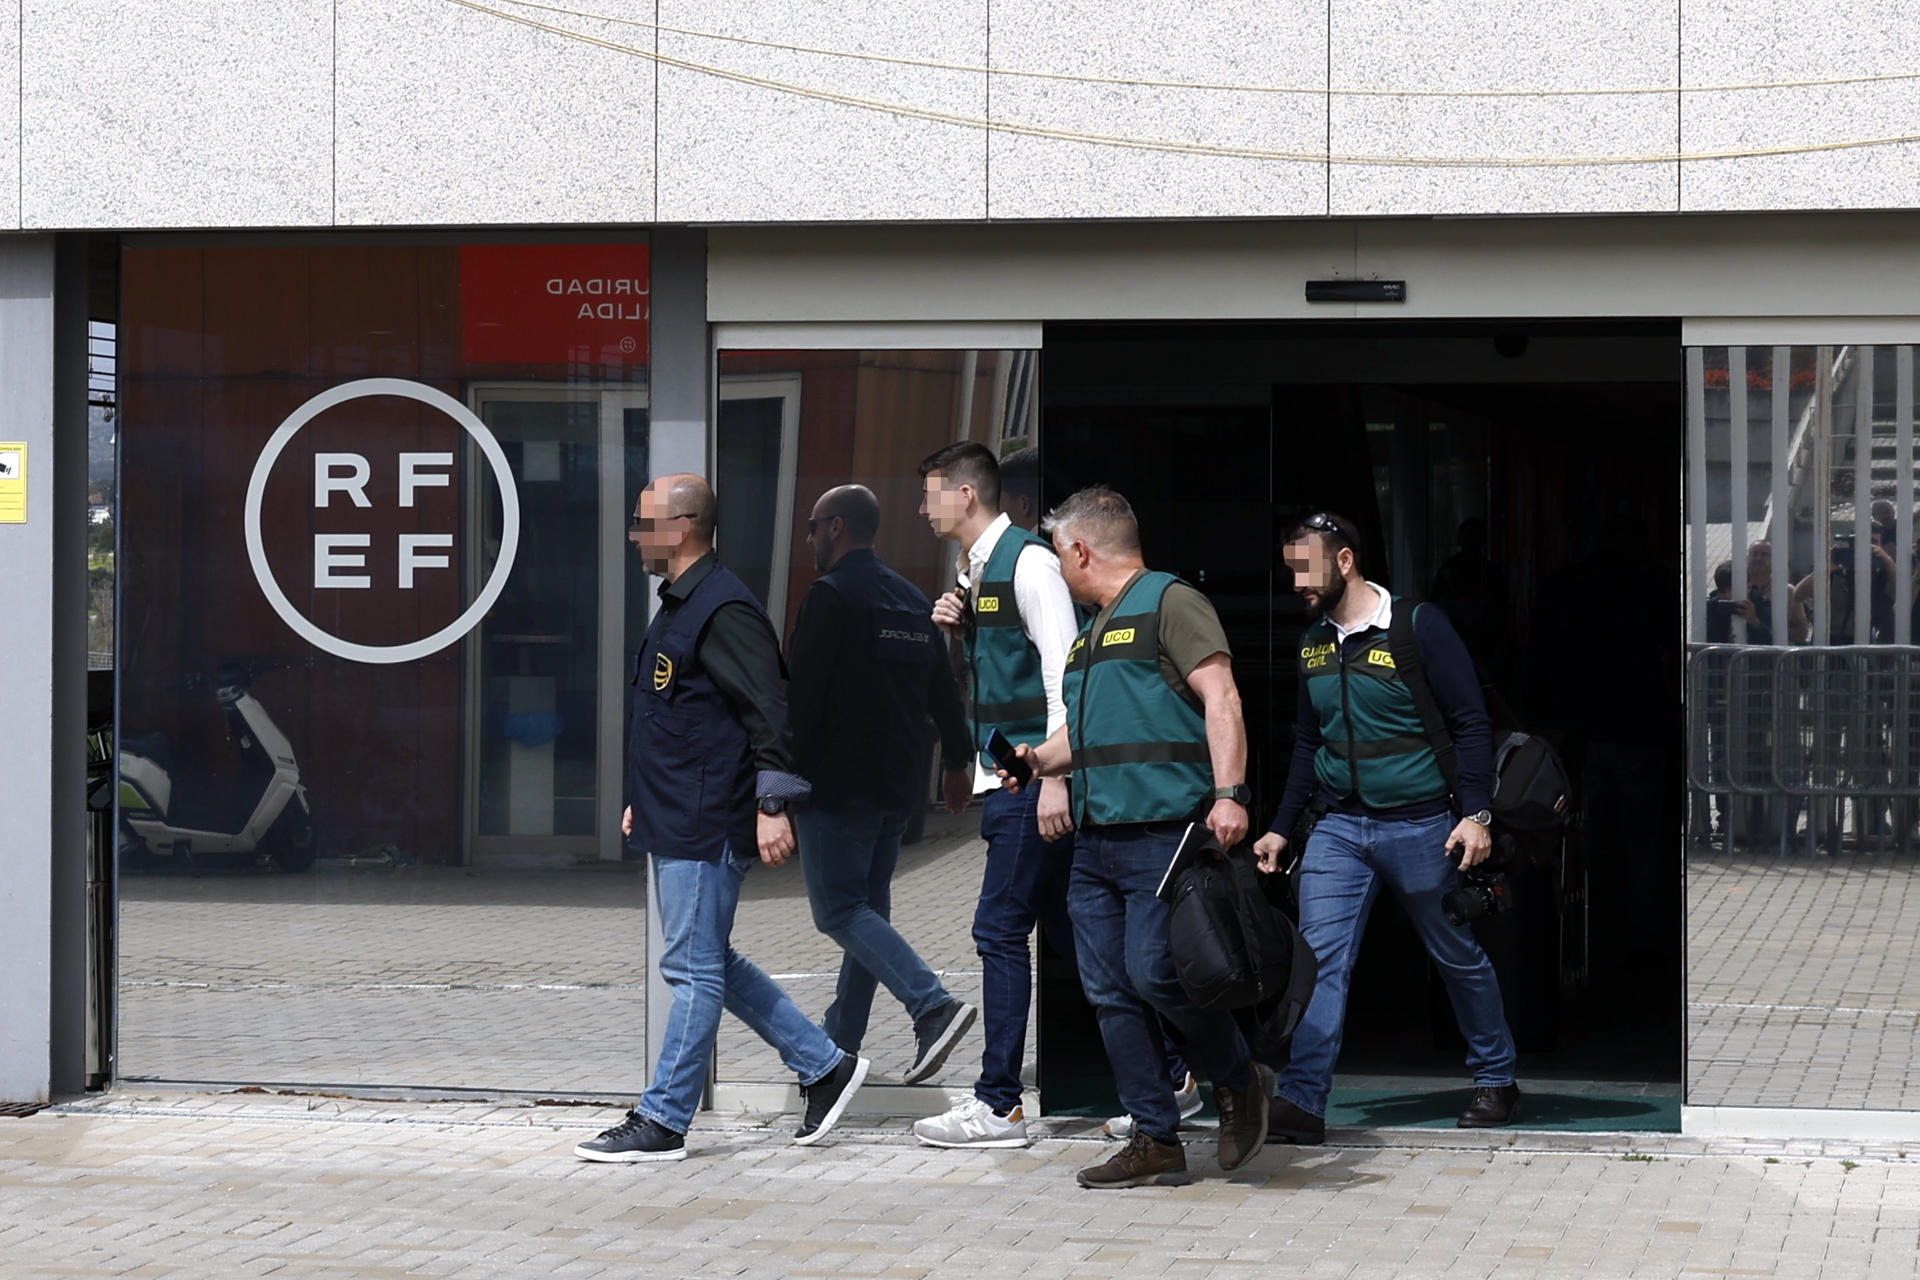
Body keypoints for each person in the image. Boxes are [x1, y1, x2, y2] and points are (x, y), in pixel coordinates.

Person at [575, 474, 867, 1164]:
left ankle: (664, 1120)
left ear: (680, 528)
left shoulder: (722, 607)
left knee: (694, 968)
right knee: (712, 962)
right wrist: (640, 796)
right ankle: (825, 1067)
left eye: (642, 522)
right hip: (675, 811)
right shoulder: (681, 604)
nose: (633, 535)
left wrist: (771, 805)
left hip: (706, 821)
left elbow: (769, 713)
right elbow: (678, 715)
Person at [1004, 485, 1272, 1190]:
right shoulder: (1092, 634)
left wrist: (1230, 794)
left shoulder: (1170, 601)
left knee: (1155, 973)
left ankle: (1240, 1078)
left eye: (1059, 553)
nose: (1058, 568)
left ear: (1080, 549)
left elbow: (1223, 696)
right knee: (1109, 988)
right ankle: (1155, 1135)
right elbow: (1087, 738)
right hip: (1096, 843)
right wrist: (1038, 762)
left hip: (1164, 835)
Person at [1254, 512, 1520, 1143]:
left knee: (1455, 955)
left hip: (1425, 824)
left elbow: (1471, 722)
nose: (1294, 582)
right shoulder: (1312, 643)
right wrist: (1281, 828)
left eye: (1304, 567)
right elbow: (1305, 746)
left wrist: (1476, 815)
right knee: (1317, 962)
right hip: (1339, 828)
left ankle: (1495, 1077)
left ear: (1344, 561)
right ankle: (1302, 1099)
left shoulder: (1416, 625)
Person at [909, 441, 1085, 1149]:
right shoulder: (975, 569)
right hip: (1011, 778)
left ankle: (1000, 1104)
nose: (923, 507)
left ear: (966, 495)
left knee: (998, 931)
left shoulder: (1031, 562)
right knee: (1086, 937)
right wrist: (962, 630)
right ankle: (1176, 1076)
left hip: (1034, 780)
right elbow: (995, 672)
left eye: (930, 494)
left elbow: (1063, 676)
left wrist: (1055, 778)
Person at [786, 483, 979, 1081]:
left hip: (839, 789)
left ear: (836, 527)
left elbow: (801, 706)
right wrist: (956, 763)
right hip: (896, 790)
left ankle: (932, 1006)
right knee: (867, 913)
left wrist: (776, 790)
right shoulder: (908, 598)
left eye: (814, 526)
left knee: (840, 912)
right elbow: (943, 690)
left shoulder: (829, 597)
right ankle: (837, 1045)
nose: (810, 537)